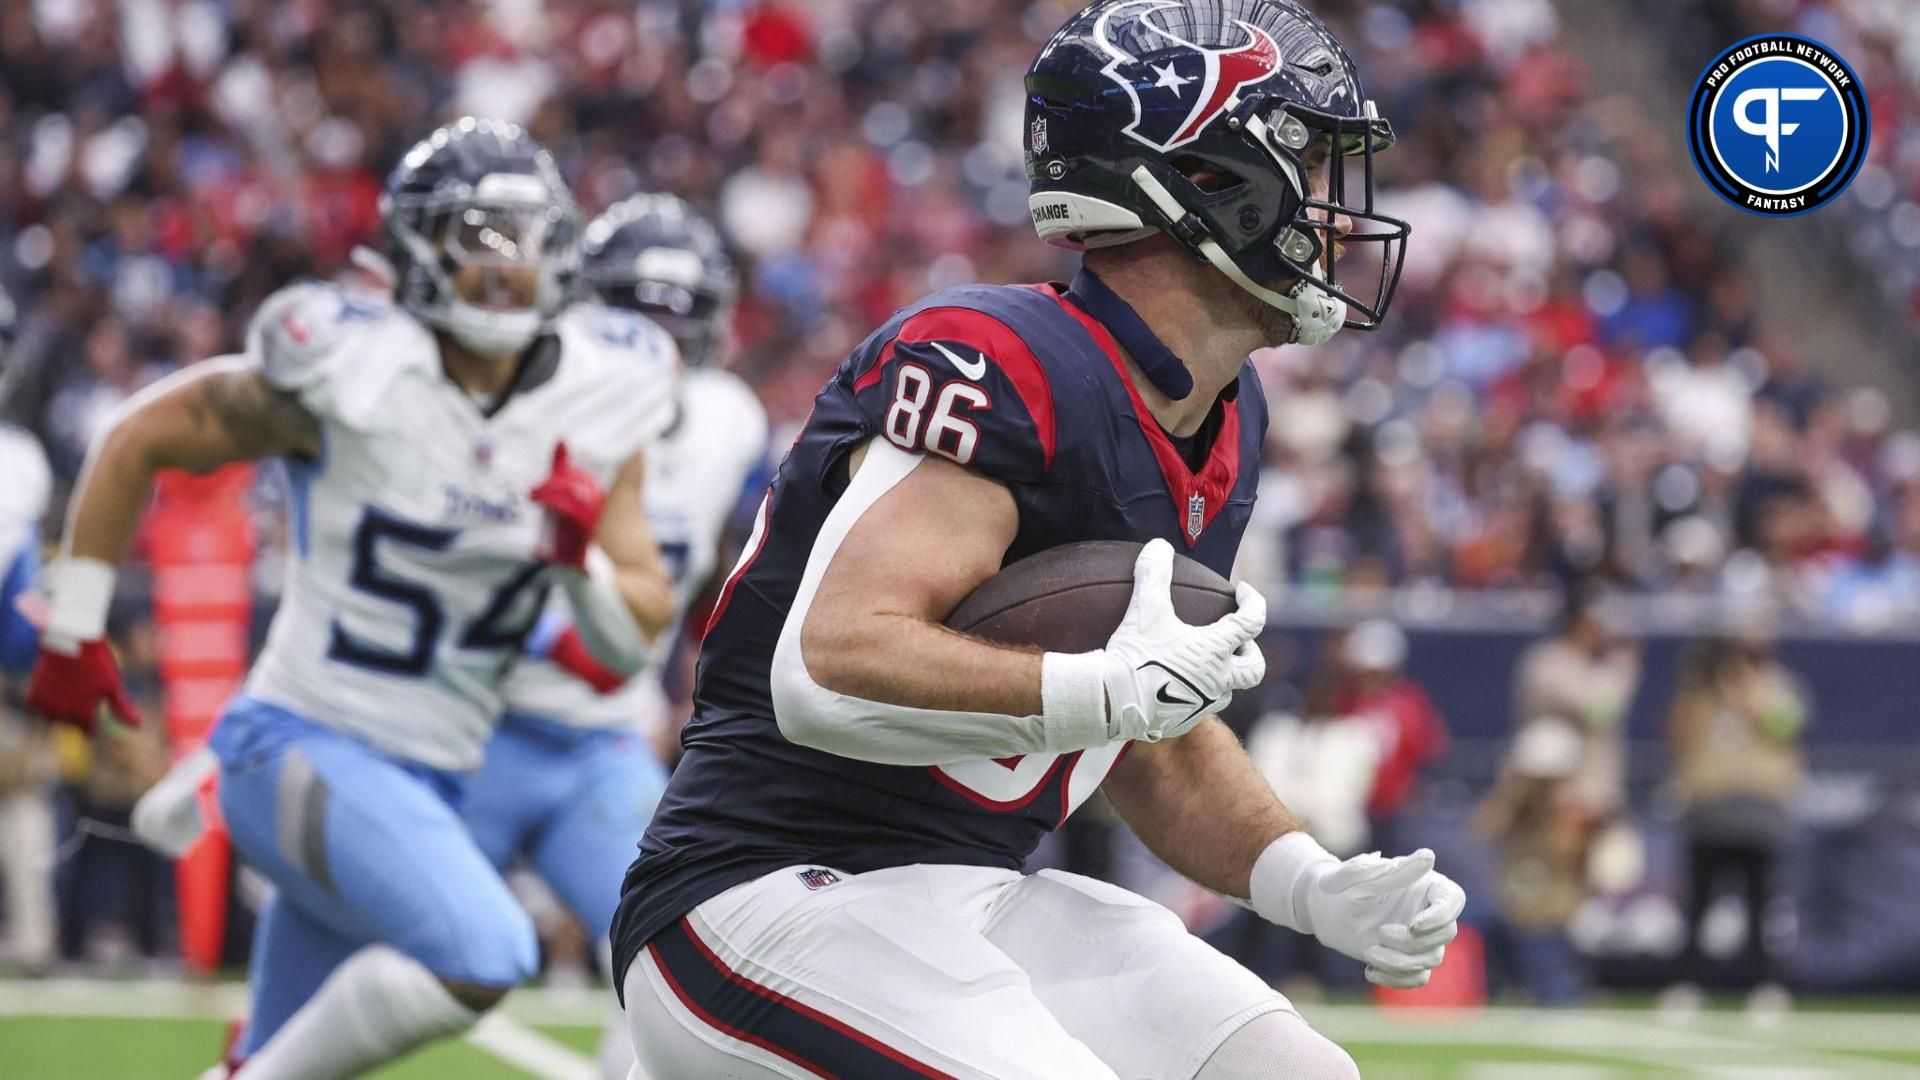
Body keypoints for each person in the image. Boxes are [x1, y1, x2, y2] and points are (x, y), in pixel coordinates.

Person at [613, 3, 1463, 1077]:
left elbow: (1150, 718)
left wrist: (1306, 882)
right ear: (1200, 178)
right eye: (1305, 163)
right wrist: (1093, 689)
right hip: (759, 892)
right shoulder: (1006, 360)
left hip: (973, 893)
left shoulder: (1225, 415)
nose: (1337, 216)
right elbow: (824, 668)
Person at [25, 118, 678, 1078]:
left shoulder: (598, 396)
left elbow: (628, 643)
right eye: (475, 241)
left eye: (525, 243)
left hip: (432, 779)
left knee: (266, 1057)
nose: (503, 271)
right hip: (299, 744)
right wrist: (76, 629)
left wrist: (576, 566)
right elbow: (139, 434)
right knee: (490, 952)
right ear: (416, 248)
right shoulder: (350, 365)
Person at [462, 192, 769, 1080]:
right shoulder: (526, 398)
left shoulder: (728, 421)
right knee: (382, 962)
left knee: (683, 969)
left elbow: (718, 573)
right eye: (634, 315)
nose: (657, 344)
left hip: (601, 741)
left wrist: (686, 687)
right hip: (475, 727)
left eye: (678, 320)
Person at [1660, 625, 1808, 1016]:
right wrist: (1702, 683)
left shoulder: (1777, 685)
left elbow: (1784, 724)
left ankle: (1766, 984)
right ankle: (1687, 982)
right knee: (1699, 904)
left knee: (1762, 904)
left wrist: (1746, 687)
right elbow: (1677, 734)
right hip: (1711, 808)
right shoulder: (1701, 692)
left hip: (1758, 808)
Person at [0, 290, 59, 975]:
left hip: (11, 663)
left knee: (22, 798)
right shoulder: (21, 457)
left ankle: (36, 937)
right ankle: (35, 936)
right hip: (13, 661)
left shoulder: (19, 457)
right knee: (22, 802)